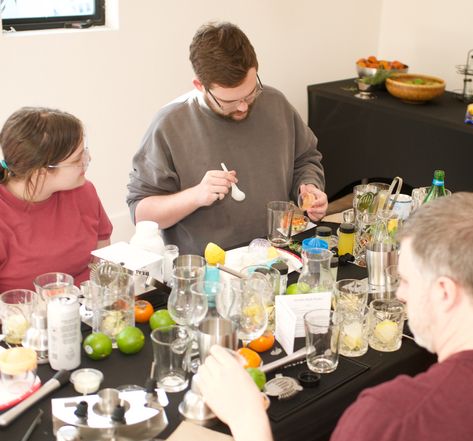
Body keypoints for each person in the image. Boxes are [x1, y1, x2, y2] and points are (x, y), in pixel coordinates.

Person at [197, 193, 473, 441]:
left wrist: (249, 423)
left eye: (404, 280)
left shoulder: (390, 419)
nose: (400, 294)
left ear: (444, 291)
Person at [126, 22, 327, 254]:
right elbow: (141, 211)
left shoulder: (276, 104)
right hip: (208, 271)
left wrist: (310, 188)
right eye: (230, 101)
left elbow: (305, 158)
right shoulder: (169, 125)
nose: (243, 107)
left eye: (251, 93)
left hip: (277, 255)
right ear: (200, 86)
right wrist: (195, 196)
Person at [0, 107, 112, 291]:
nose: (88, 159)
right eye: (77, 159)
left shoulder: (84, 192)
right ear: (40, 172)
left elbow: (103, 261)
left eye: (85, 152)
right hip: (23, 317)